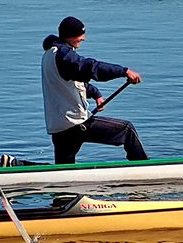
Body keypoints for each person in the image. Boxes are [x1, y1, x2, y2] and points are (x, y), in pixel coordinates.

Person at [41, 16, 147, 165]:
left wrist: (95, 94)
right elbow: (91, 67)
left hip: (59, 127)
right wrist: (124, 71)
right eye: (80, 35)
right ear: (70, 36)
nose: (83, 38)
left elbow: (71, 81)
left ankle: (22, 168)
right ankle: (144, 168)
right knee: (126, 130)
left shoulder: (51, 54)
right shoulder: (64, 55)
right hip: (75, 124)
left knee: (64, 170)